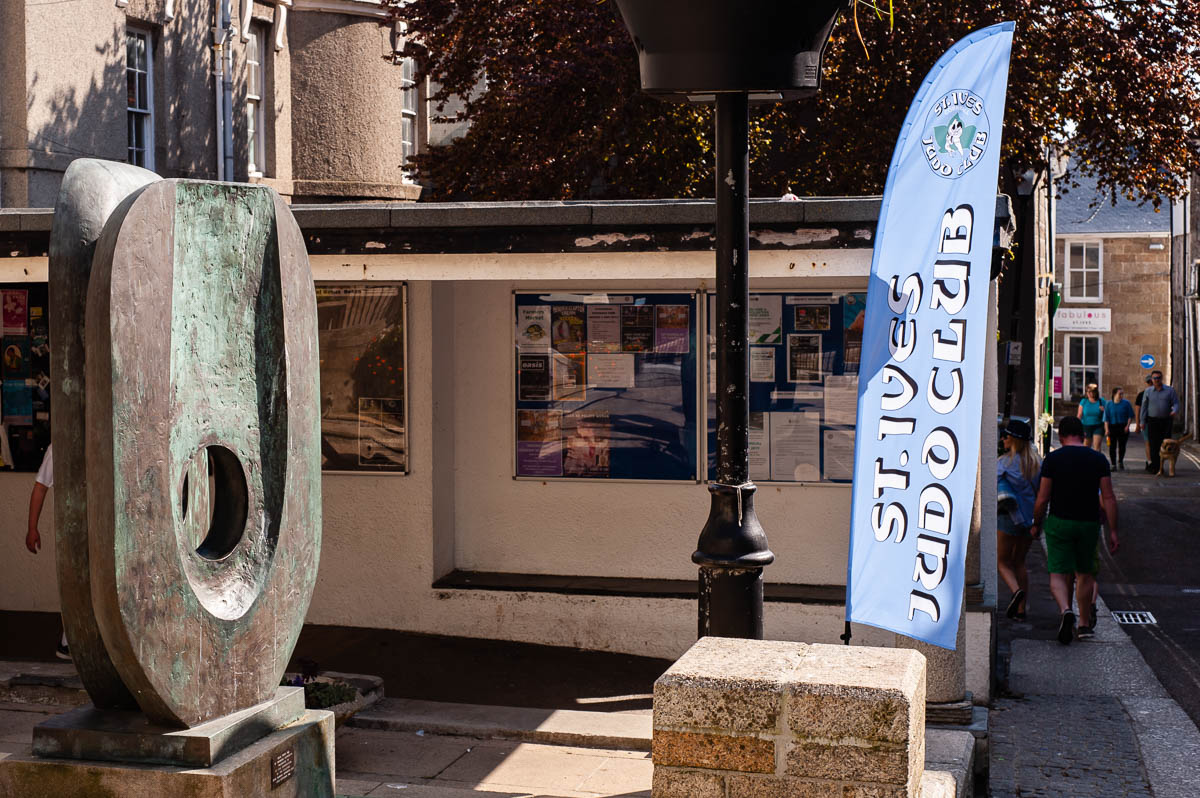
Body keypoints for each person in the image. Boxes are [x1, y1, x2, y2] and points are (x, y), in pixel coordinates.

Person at [1031, 416, 1120, 644]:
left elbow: (1042, 498)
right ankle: (1083, 624)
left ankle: (1065, 609)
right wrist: (1113, 530)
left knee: (1058, 574)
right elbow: (1108, 497)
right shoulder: (1099, 459)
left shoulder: (1053, 459)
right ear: (1082, 435)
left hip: (1059, 521)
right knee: (1085, 574)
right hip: (1089, 524)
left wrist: (1036, 522)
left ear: (1061, 436)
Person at [25, 444, 69, 661]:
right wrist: (32, 528)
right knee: (73, 584)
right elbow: (40, 487)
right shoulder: (58, 447)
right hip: (72, 529)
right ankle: (68, 641)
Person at [996, 419, 1040, 621]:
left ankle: (1015, 591)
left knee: (1002, 561)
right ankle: (1022, 610)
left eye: (1005, 435)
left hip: (1007, 517)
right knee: (1020, 562)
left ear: (1012, 439)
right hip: (1029, 519)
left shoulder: (1003, 463)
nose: (1002, 438)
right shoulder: (1037, 463)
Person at [1140, 370, 1179, 474]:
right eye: (1154, 378)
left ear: (1161, 379)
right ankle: (1156, 467)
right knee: (1153, 444)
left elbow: (1175, 403)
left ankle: (1166, 465)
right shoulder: (1148, 391)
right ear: (1151, 380)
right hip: (1152, 421)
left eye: (1158, 378)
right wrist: (1142, 422)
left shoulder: (1170, 390)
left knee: (1165, 444)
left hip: (1166, 421)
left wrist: (1174, 410)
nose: (1156, 380)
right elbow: (1144, 407)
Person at [1103, 386, 1134, 470]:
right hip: (1112, 427)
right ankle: (1113, 464)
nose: (1121, 396)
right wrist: (1106, 429)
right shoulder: (1108, 404)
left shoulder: (1126, 403)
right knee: (1112, 446)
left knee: (1122, 446)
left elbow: (1130, 415)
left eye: (1122, 394)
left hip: (1123, 426)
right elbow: (1106, 418)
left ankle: (1120, 461)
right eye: (1120, 394)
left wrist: (1127, 426)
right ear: (1114, 394)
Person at [1076, 383, 1106, 452]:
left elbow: (1107, 414)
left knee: (1097, 446)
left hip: (1098, 426)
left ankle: (1096, 461)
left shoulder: (1102, 401)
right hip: (1086, 426)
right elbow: (1079, 415)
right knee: (1086, 446)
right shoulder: (1084, 401)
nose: (1088, 393)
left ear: (1095, 392)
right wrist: (1076, 425)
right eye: (1087, 391)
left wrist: (1104, 410)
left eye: (1091, 391)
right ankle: (1086, 461)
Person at [1134, 375, 1152, 466]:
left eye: (1152, 382)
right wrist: (1137, 424)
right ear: (1147, 383)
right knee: (1148, 442)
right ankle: (1149, 461)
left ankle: (1156, 461)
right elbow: (1137, 411)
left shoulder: (1160, 392)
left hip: (1158, 422)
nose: (1151, 384)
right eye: (1149, 382)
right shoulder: (1141, 395)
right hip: (1146, 422)